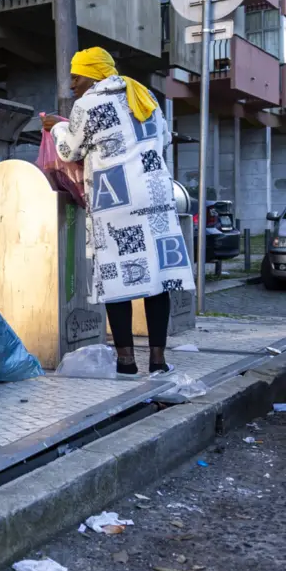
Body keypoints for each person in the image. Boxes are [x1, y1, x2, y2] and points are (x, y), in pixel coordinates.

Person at [41, 47, 194, 376]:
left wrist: (55, 126)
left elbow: (69, 149)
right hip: (154, 194)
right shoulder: (143, 95)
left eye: (76, 76)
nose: (72, 84)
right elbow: (163, 138)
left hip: (116, 199)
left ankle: (126, 361)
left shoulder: (88, 104)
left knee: (116, 278)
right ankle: (158, 360)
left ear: (93, 74)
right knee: (157, 278)